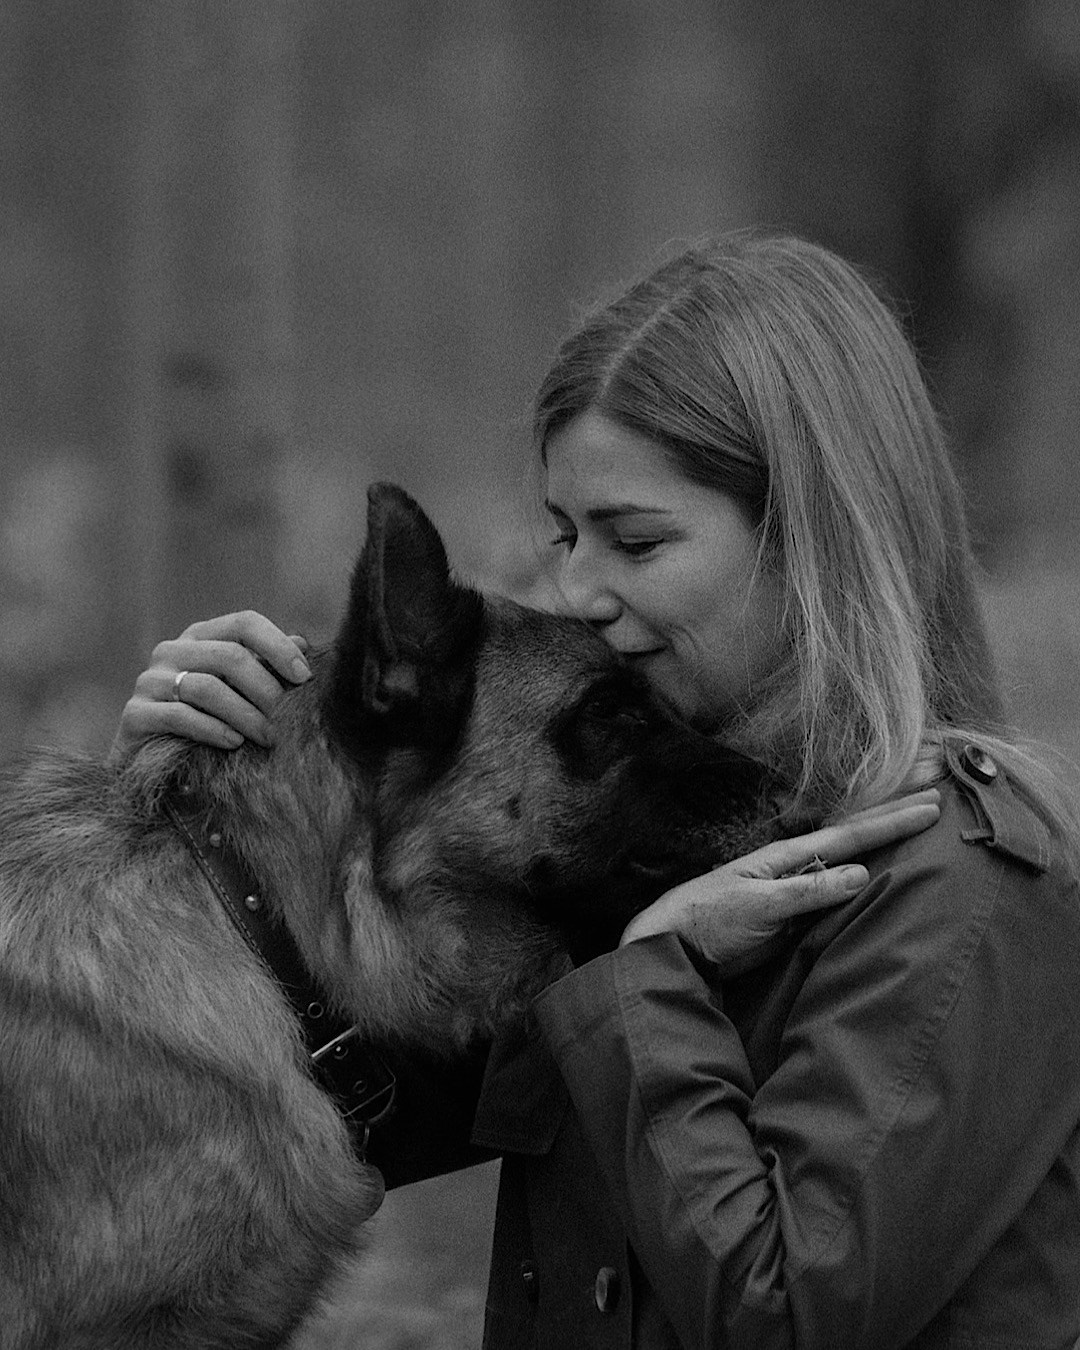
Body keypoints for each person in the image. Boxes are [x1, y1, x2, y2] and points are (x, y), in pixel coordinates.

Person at [112, 232, 1080, 1347]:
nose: (579, 592)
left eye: (635, 540)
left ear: (813, 536)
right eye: (567, 535)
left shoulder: (967, 881)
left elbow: (794, 1313)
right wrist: (218, 806)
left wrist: (648, 985)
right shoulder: (653, 856)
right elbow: (333, 1115)